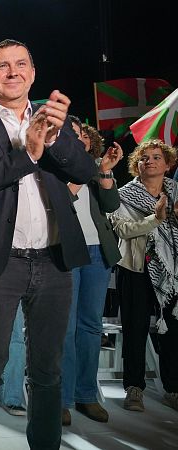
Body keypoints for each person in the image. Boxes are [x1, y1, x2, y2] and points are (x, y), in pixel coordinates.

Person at [0, 39, 96, 450]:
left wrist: (53, 141)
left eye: (21, 64)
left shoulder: (54, 120)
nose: (12, 72)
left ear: (32, 73)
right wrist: (28, 153)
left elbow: (84, 170)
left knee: (47, 371)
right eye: (2, 66)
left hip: (53, 262)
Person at [60, 118, 123, 425]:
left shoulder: (98, 167)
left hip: (98, 252)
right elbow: (58, 204)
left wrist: (106, 171)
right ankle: (61, 399)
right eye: (71, 135)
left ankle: (86, 395)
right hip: (67, 253)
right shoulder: (51, 169)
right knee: (65, 328)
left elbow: (111, 205)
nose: (79, 138)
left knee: (91, 327)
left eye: (82, 134)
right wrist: (82, 174)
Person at [109, 139, 178, 413]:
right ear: (136, 165)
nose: (149, 161)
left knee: (173, 332)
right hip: (135, 268)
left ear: (168, 164)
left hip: (172, 271)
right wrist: (157, 218)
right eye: (143, 157)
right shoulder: (124, 194)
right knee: (135, 329)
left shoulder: (175, 192)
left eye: (156, 157)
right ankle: (134, 388)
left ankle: (173, 388)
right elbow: (124, 230)